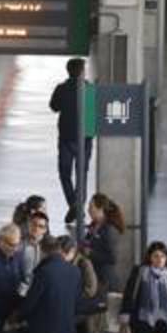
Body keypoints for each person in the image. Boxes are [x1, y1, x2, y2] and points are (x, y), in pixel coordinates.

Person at [50, 58, 94, 223]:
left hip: (66, 138)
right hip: (85, 140)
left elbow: (53, 107)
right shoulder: (90, 89)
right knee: (82, 174)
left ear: (68, 71)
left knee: (64, 173)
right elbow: (94, 114)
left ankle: (74, 206)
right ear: (82, 71)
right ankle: (76, 207)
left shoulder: (61, 88)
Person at [83, 193, 124, 294]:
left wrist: (90, 253)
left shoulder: (109, 230)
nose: (88, 210)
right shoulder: (93, 227)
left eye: (91, 206)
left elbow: (112, 258)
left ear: (100, 209)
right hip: (94, 278)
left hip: (106, 281)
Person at [19, 210, 50, 294]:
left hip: (44, 291)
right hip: (22, 290)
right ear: (28, 225)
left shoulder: (51, 247)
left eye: (41, 226)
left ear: (45, 230)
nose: (36, 229)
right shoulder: (19, 246)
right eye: (34, 224)